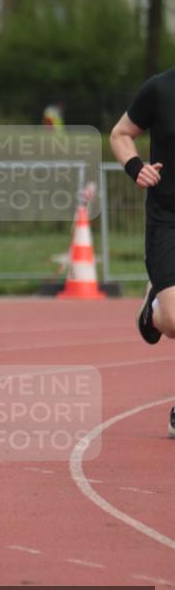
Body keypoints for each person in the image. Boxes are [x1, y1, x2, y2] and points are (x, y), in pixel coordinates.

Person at [110, 66, 175, 437]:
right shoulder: (159, 90)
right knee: (174, 321)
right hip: (168, 219)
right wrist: (136, 167)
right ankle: (154, 307)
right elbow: (121, 134)